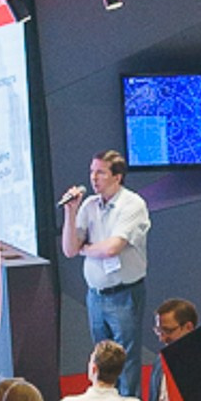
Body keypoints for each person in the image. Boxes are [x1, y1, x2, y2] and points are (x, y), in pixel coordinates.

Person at [58, 149, 150, 380]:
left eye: (100, 172)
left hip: (124, 294)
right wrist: (71, 212)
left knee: (126, 363)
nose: (93, 178)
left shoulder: (132, 204)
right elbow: (69, 249)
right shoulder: (89, 205)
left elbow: (112, 247)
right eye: (92, 172)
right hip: (96, 296)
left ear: (117, 177)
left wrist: (87, 249)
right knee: (102, 362)